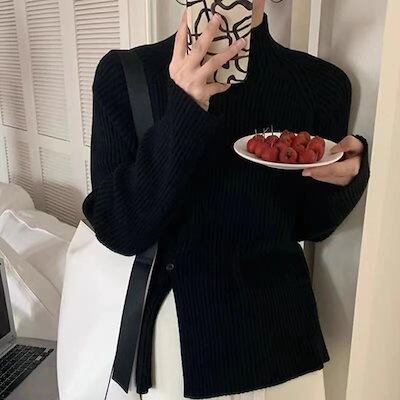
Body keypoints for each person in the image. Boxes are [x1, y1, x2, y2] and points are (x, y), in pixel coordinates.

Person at [82, 0, 370, 399]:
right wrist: (185, 110)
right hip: (178, 344)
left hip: (282, 342)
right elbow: (119, 228)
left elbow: (311, 224)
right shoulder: (126, 74)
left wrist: (347, 175)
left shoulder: (321, 84)